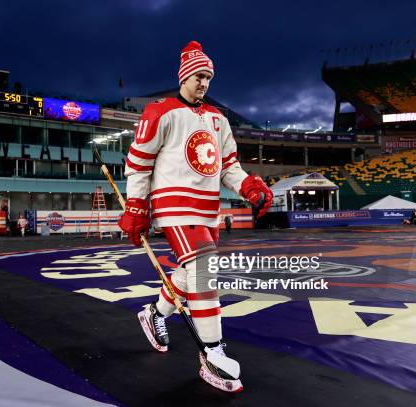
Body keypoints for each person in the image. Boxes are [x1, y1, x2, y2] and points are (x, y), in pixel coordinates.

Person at [118, 41, 272, 392]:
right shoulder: (160, 112)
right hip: (174, 205)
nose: (204, 83)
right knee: (204, 271)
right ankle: (212, 353)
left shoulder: (218, 120)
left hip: (207, 209)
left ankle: (156, 313)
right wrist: (136, 205)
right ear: (184, 76)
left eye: (209, 77)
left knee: (191, 274)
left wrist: (247, 185)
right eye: (199, 76)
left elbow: (228, 165)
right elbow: (139, 162)